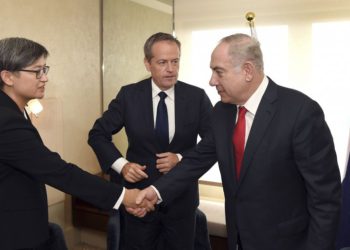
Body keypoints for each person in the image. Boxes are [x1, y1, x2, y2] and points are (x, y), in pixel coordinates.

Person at [138, 33, 342, 250]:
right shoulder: (221, 113)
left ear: (247, 71)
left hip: (286, 242)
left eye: (219, 72)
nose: (212, 81)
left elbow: (325, 198)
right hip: (238, 238)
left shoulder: (300, 112)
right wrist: (155, 192)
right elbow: (195, 161)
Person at [0, 37, 154, 250]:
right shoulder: (6, 120)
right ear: (8, 76)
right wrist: (124, 196)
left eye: (45, 69)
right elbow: (56, 170)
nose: (45, 78)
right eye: (37, 71)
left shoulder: (16, 111)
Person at [88, 32, 213, 250]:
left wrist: (181, 158)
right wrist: (122, 166)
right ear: (147, 63)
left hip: (181, 200)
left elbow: (214, 142)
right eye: (162, 62)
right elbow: (97, 134)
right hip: (139, 202)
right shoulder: (129, 96)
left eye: (175, 61)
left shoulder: (197, 97)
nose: (171, 69)